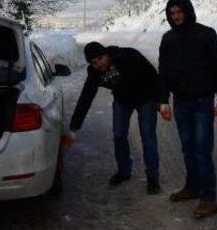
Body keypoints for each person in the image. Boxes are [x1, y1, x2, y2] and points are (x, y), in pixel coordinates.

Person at [158, 0, 217, 218]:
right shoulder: (167, 39)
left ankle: (209, 198)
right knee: (188, 149)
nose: (176, 16)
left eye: (179, 12)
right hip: (180, 103)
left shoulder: (206, 34)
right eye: (172, 13)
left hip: (202, 102)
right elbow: (164, 72)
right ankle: (192, 187)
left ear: (187, 11)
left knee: (202, 151)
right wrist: (163, 101)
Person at [62, 42, 161, 194]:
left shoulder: (128, 55)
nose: (99, 64)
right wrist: (74, 129)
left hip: (145, 98)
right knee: (119, 135)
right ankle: (124, 171)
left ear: (106, 54)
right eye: (94, 62)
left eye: (101, 58)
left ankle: (153, 178)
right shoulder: (94, 72)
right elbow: (85, 98)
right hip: (122, 101)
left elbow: (153, 75)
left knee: (148, 136)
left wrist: (162, 101)